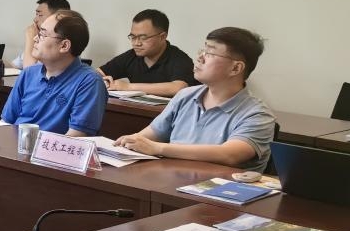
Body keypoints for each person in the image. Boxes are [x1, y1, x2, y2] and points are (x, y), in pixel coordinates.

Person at [114, 28, 275, 170]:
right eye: (202, 50)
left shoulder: (257, 115)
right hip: (169, 183)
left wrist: (159, 148)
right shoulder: (185, 96)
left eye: (210, 53)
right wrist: (128, 142)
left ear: (236, 68)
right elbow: (147, 137)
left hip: (218, 191)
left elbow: (229, 154)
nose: (200, 57)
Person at [1, 9, 107, 137]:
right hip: (15, 145)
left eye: (42, 34)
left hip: (51, 149)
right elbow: (6, 122)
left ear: (64, 46)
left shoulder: (90, 82)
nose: (35, 38)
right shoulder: (28, 74)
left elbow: (76, 136)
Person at [97, 9, 196, 97]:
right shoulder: (132, 55)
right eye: (133, 37)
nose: (136, 43)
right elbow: (98, 74)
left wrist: (127, 87)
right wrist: (104, 81)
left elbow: (178, 87)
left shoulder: (179, 59)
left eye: (143, 38)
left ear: (162, 37)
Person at [0, 0, 71, 71]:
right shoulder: (39, 40)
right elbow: (15, 66)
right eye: (36, 14)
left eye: (40, 15)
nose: (35, 19)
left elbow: (30, 75)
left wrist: (30, 39)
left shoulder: (57, 45)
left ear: (57, 18)